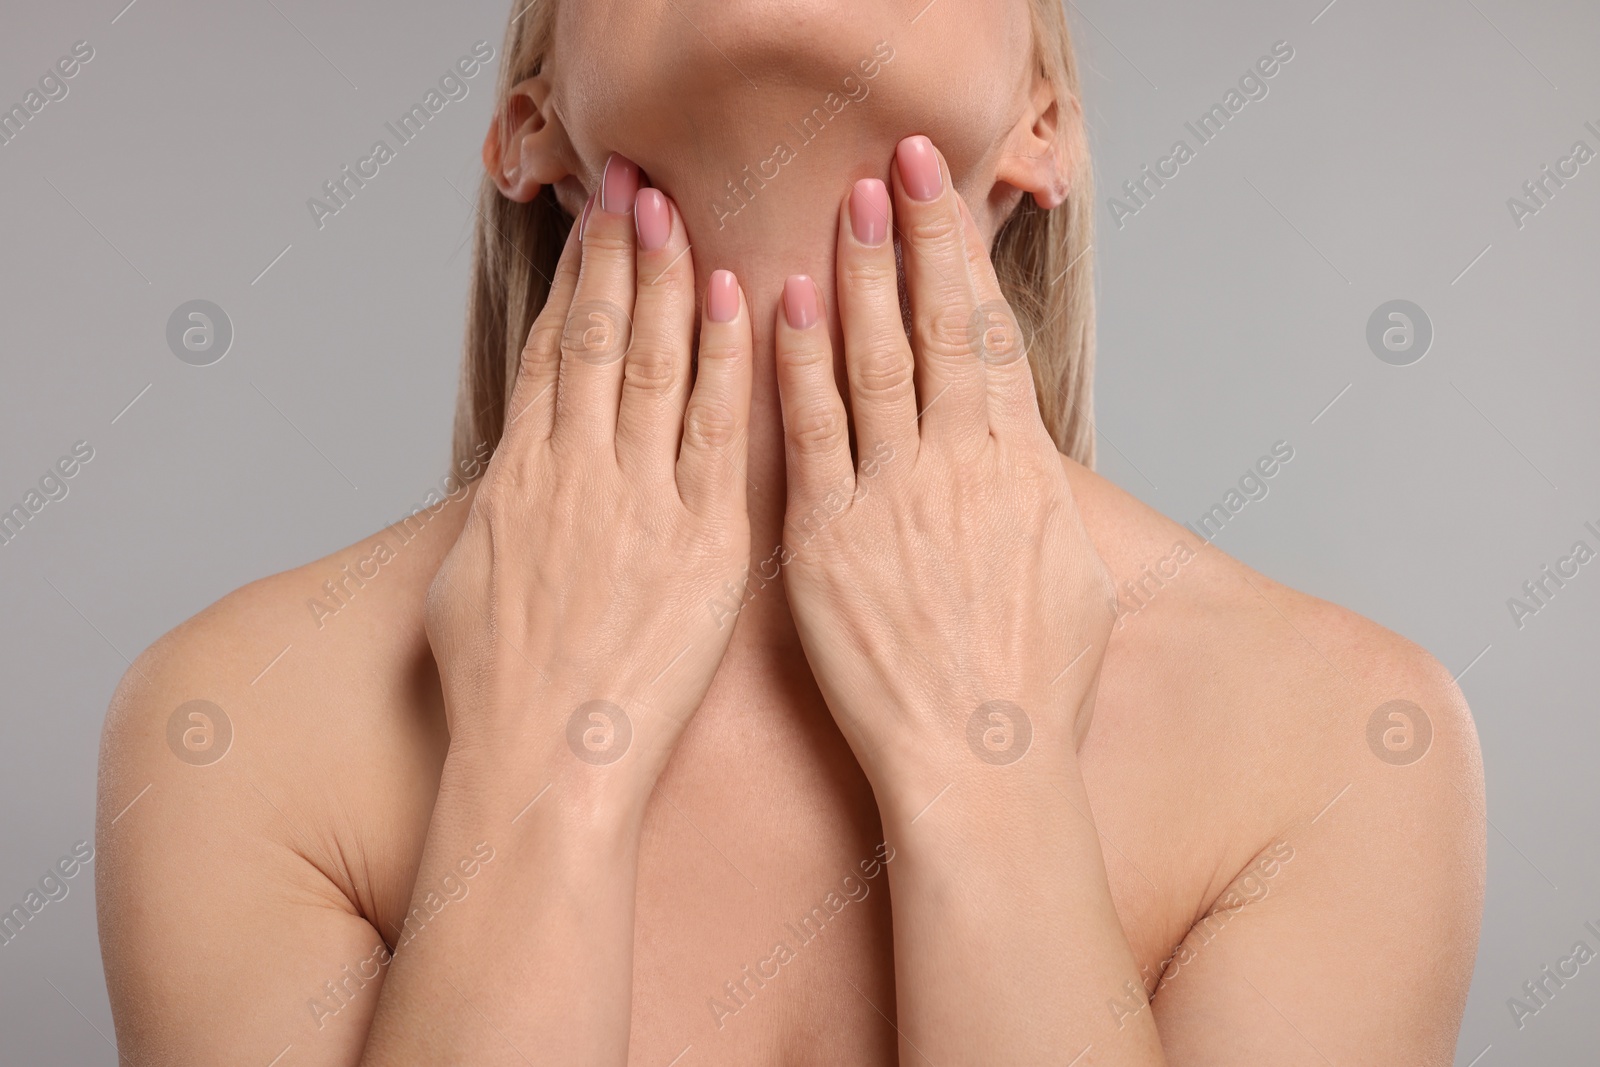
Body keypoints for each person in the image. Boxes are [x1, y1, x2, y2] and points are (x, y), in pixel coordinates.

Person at [96, 1, 1485, 1063]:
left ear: (1044, 128)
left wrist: (983, 769)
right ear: (529, 129)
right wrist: (542, 772)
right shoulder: (230, 723)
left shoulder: (1346, 741)